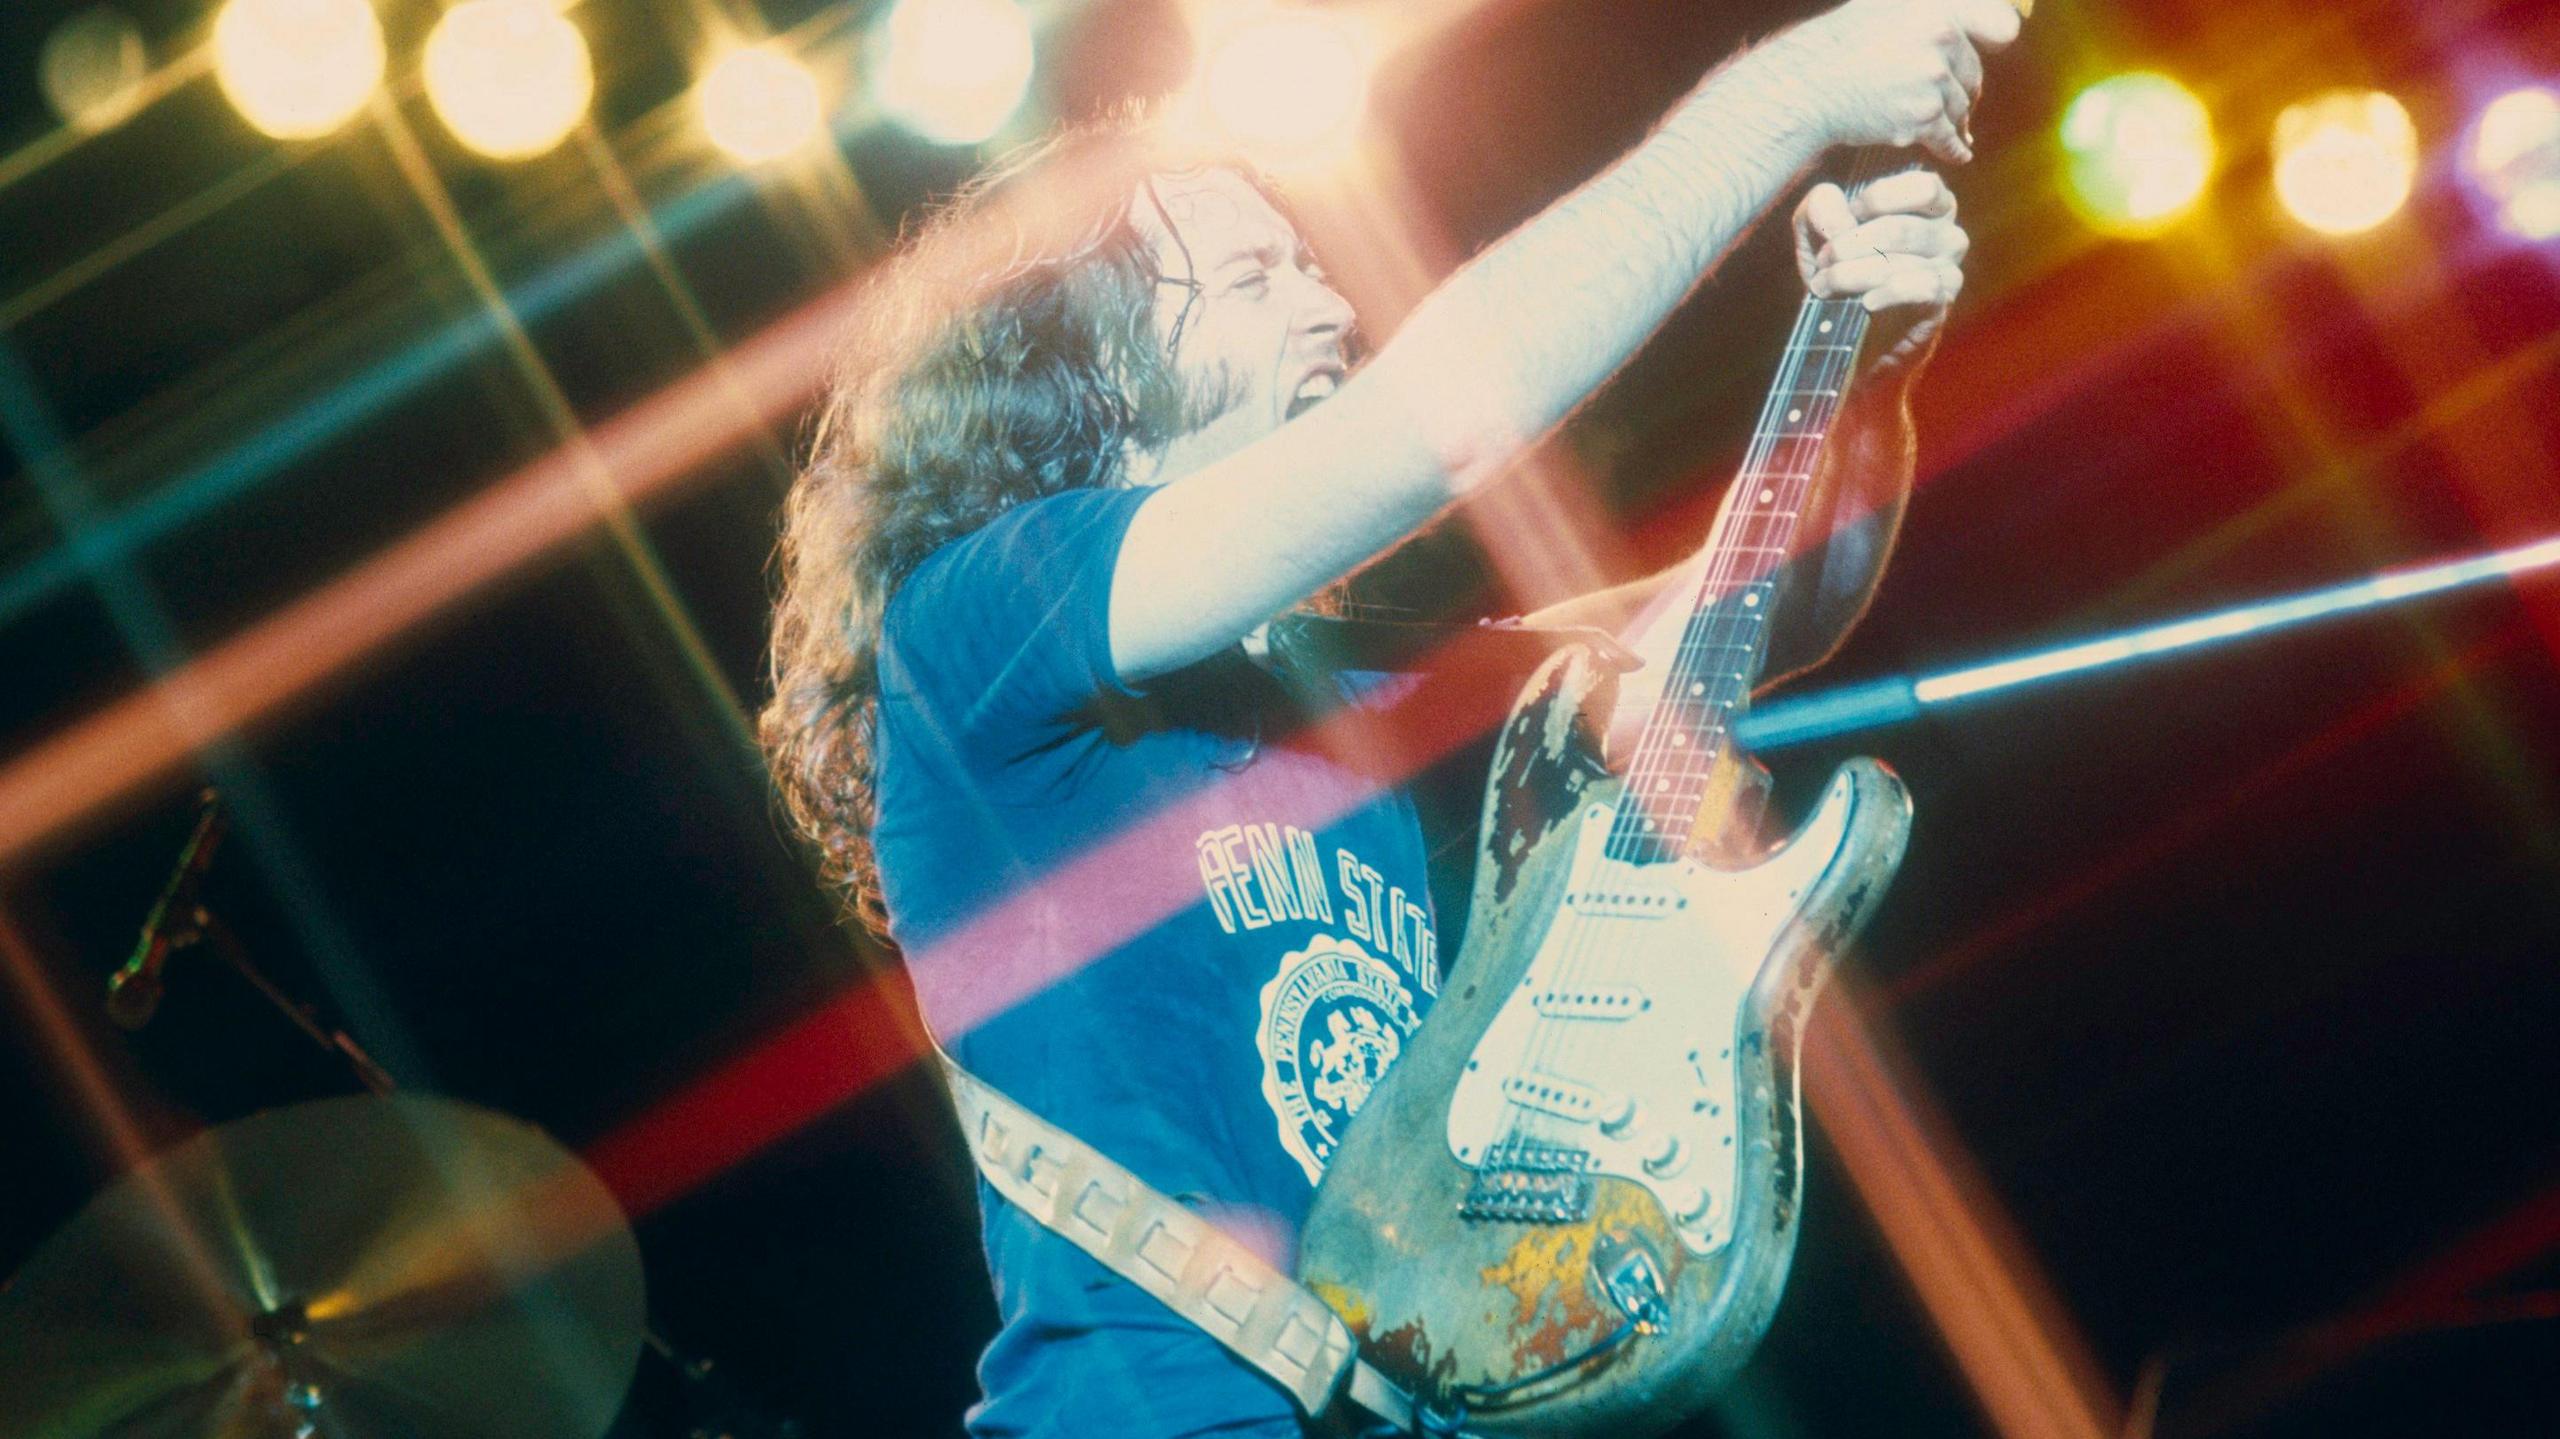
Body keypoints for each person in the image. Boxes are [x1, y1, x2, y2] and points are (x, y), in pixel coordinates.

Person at [760, 1, 2020, 1433]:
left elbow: (1753, 608)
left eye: (1313, 265)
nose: (1332, 308)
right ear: (1089, 362)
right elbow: (1436, 425)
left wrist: (1868, 373)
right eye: (1253, 274)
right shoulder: (980, 618)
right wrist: (1784, 96)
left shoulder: (1350, 684)